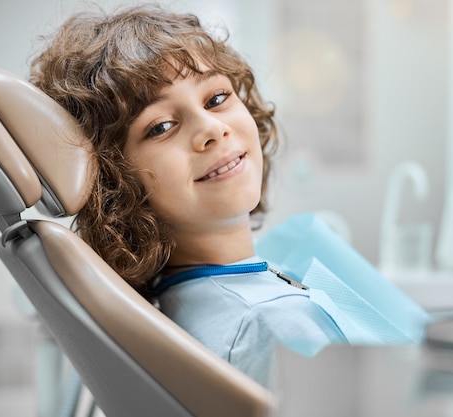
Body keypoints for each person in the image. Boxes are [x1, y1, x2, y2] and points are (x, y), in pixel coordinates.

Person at [29, 3, 361, 388]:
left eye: (216, 98)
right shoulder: (276, 323)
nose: (212, 129)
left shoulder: (187, 305)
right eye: (162, 126)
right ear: (116, 183)